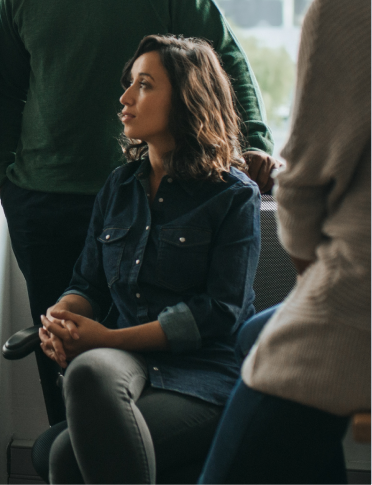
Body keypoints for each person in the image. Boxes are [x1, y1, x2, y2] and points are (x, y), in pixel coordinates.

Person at [0, 0, 278, 424]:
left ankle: (143, 447)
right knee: (62, 349)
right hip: (40, 199)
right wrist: (7, 179)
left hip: (136, 193)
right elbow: (8, 91)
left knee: (135, 348)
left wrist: (255, 143)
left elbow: (222, 59)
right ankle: (73, 456)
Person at [197, 0, 372, 485]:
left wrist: (312, 284)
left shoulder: (354, 7)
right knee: (249, 330)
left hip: (367, 296)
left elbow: (298, 192)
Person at [35, 34, 261, 485]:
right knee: (87, 371)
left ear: (187, 98)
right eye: (129, 84)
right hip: (126, 366)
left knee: (63, 458)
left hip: (204, 376)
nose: (125, 97)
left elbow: (220, 312)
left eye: (143, 85)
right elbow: (89, 283)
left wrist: (108, 339)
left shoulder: (234, 197)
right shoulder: (118, 187)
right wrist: (64, 316)